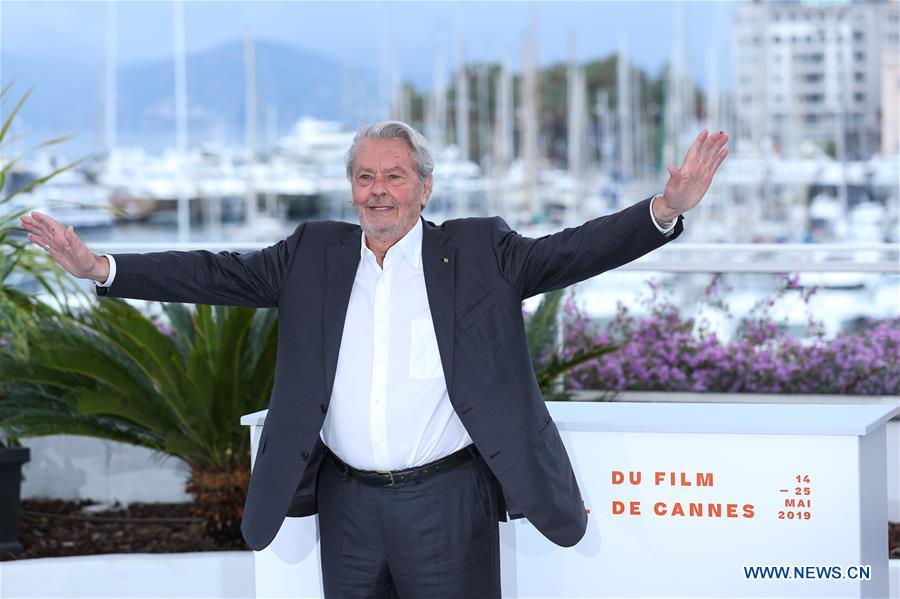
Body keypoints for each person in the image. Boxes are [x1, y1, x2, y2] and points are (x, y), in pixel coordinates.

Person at [21, 122, 728, 598]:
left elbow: (570, 250)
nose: (377, 191)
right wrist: (98, 264)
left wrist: (664, 207)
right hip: (348, 503)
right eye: (365, 177)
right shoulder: (312, 254)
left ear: (424, 186)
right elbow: (212, 272)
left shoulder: (480, 251)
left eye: (393, 175)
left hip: (448, 502)